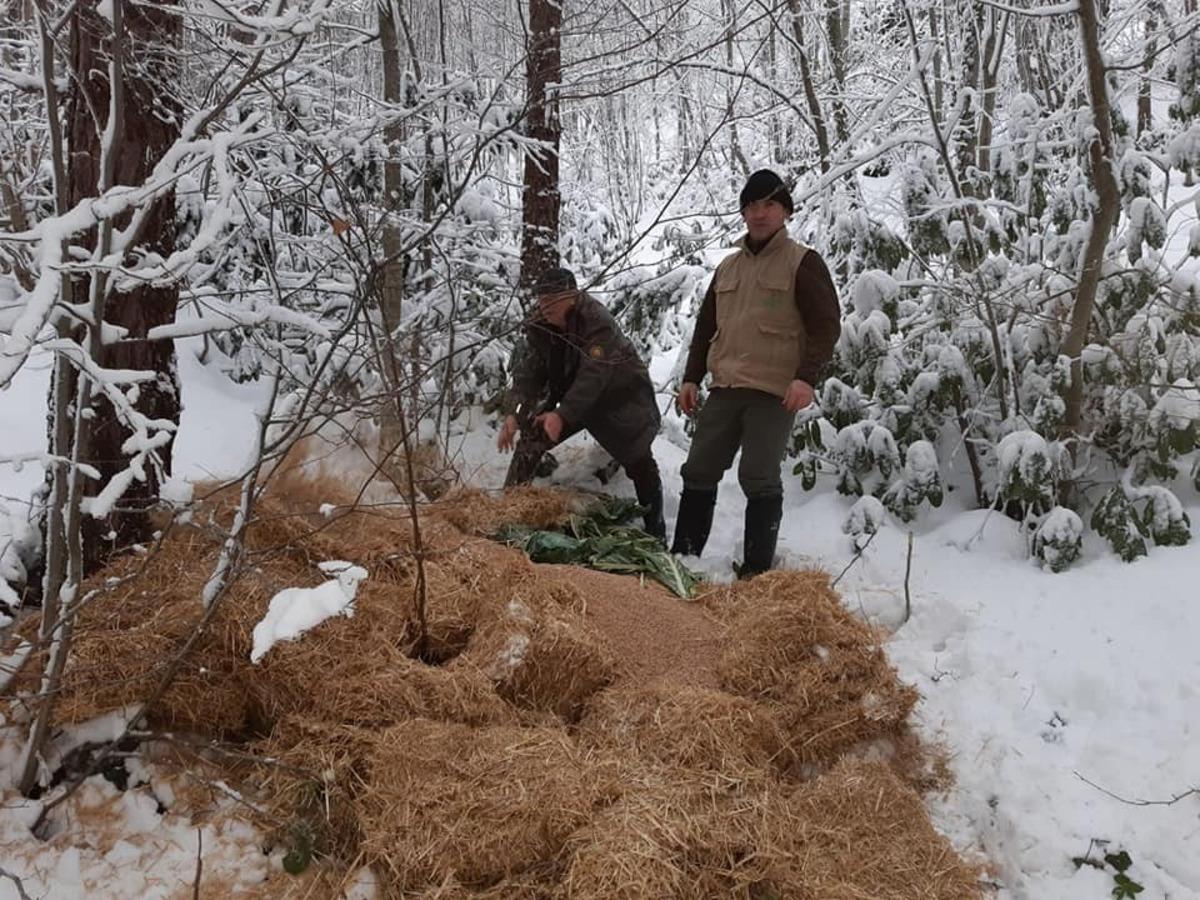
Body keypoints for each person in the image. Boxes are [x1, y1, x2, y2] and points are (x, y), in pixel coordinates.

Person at [671, 169, 841, 576]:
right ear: (743, 213)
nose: (759, 213)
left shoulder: (803, 262)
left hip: (773, 390)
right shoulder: (728, 268)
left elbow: (826, 325)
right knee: (698, 470)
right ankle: (683, 559)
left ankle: (756, 575)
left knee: (759, 477)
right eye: (751, 206)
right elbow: (705, 327)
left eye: (769, 204)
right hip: (726, 386)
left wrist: (806, 378)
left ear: (785, 211)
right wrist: (692, 377)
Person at [497, 267, 666, 539]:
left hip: (618, 398)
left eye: (553, 299)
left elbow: (594, 376)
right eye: (542, 299)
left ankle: (656, 532)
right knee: (531, 441)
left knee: (639, 459)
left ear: (573, 296)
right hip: (571, 402)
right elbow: (529, 374)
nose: (545, 306)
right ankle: (506, 511)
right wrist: (515, 414)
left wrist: (562, 415)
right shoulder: (541, 326)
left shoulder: (597, 322)